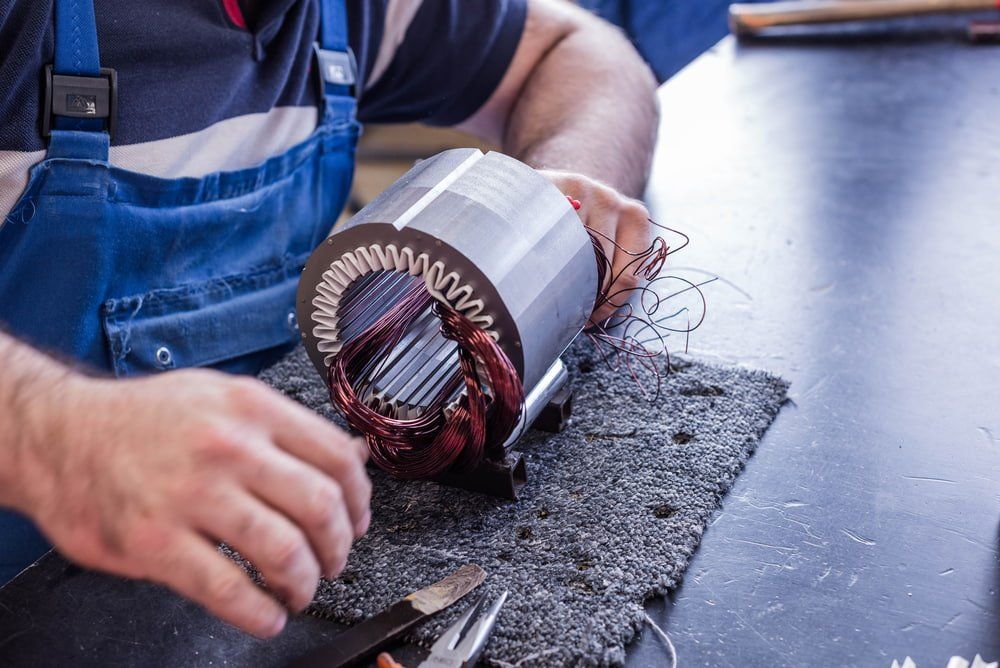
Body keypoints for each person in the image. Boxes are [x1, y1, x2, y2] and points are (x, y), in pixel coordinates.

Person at [0, 0, 657, 638]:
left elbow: (577, 48)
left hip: (233, 575)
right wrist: (56, 429)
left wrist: (555, 200)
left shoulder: (345, 12)